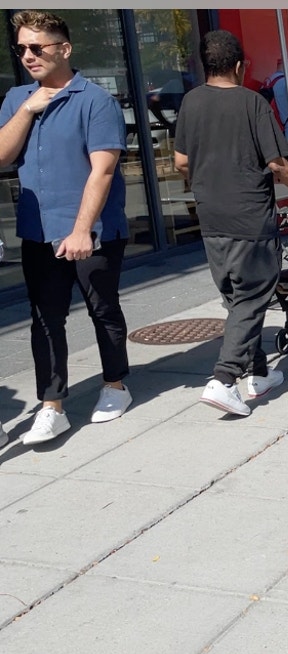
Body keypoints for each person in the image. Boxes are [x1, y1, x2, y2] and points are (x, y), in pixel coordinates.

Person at [173, 29, 288, 417]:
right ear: (240, 66)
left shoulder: (191, 102)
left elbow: (179, 162)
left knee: (237, 299)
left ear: (204, 65)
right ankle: (224, 379)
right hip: (249, 218)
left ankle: (257, 373)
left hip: (211, 218)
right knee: (252, 297)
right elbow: (278, 164)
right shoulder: (252, 103)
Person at [0, 10, 134, 445]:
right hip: (37, 231)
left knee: (103, 310)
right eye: (20, 48)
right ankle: (52, 405)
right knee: (45, 319)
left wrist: (81, 230)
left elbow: (103, 172)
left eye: (37, 47)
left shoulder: (95, 100)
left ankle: (115, 385)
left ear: (64, 48)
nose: (27, 56)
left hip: (90, 232)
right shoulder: (17, 98)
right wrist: (28, 109)